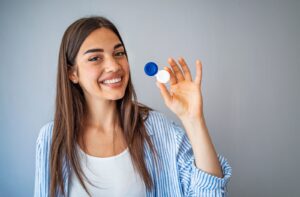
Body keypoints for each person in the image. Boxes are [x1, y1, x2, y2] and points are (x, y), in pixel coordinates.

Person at [34, 16, 232, 197]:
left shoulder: (159, 129)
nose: (114, 66)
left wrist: (193, 120)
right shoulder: (52, 139)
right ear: (72, 73)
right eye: (95, 58)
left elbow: (210, 193)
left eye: (119, 53)